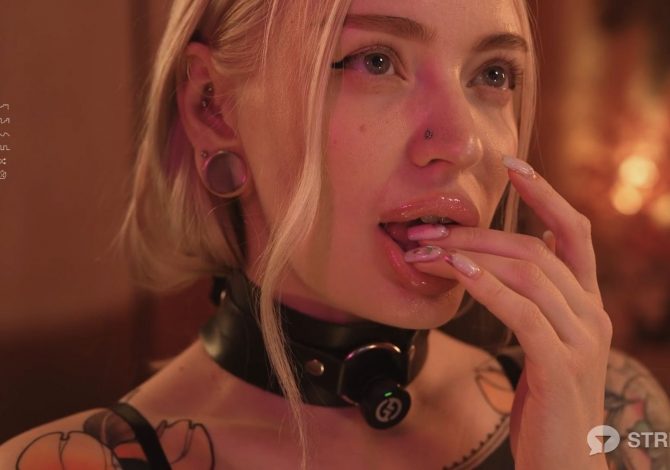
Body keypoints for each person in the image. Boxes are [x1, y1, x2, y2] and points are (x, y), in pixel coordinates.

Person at [2, 0, 669, 468]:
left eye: (492, 74)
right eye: (375, 61)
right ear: (213, 107)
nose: (463, 142)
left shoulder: (614, 411)